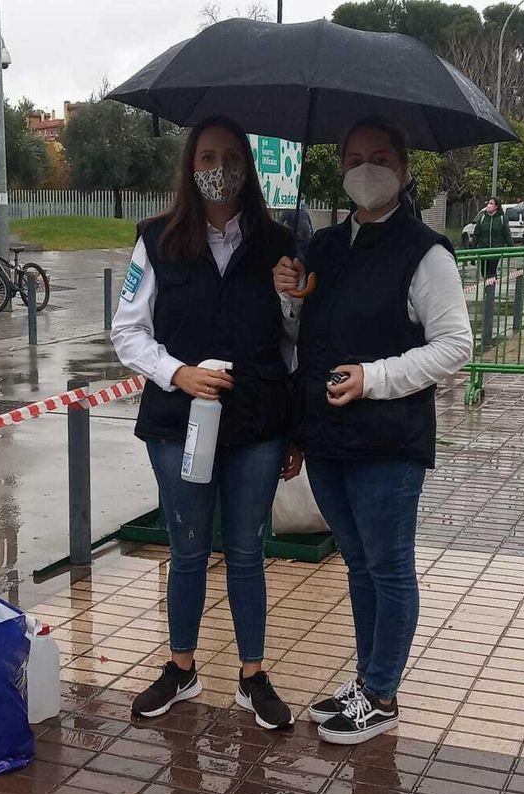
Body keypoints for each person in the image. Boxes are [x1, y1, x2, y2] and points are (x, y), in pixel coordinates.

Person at [272, 117, 473, 744]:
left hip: (388, 442)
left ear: (404, 169)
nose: (366, 169)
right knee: (356, 563)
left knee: (388, 566)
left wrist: (374, 377)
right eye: (354, 157)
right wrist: (290, 297)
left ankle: (383, 693)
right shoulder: (324, 247)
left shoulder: (426, 252)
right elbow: (301, 337)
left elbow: (454, 346)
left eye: (380, 157)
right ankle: (365, 682)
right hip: (327, 438)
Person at [110, 115, 300, 729]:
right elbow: (128, 332)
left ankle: (252, 676)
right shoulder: (157, 239)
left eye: (230, 156)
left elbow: (296, 341)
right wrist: (177, 372)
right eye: (206, 157)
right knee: (188, 549)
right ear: (189, 168)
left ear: (247, 166)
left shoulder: (280, 240)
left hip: (257, 422)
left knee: (246, 550)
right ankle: (181, 667)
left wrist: (293, 297)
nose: (218, 168)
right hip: (178, 422)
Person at [471, 197, 510, 279]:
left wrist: (512, 249)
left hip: (496, 250)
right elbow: (476, 235)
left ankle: (490, 290)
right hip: (483, 250)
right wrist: (472, 251)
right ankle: (487, 289)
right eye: (488, 203)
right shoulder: (482, 218)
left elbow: (507, 235)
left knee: (492, 272)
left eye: (491, 203)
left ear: (496, 206)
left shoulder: (502, 219)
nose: (489, 205)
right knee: (484, 272)